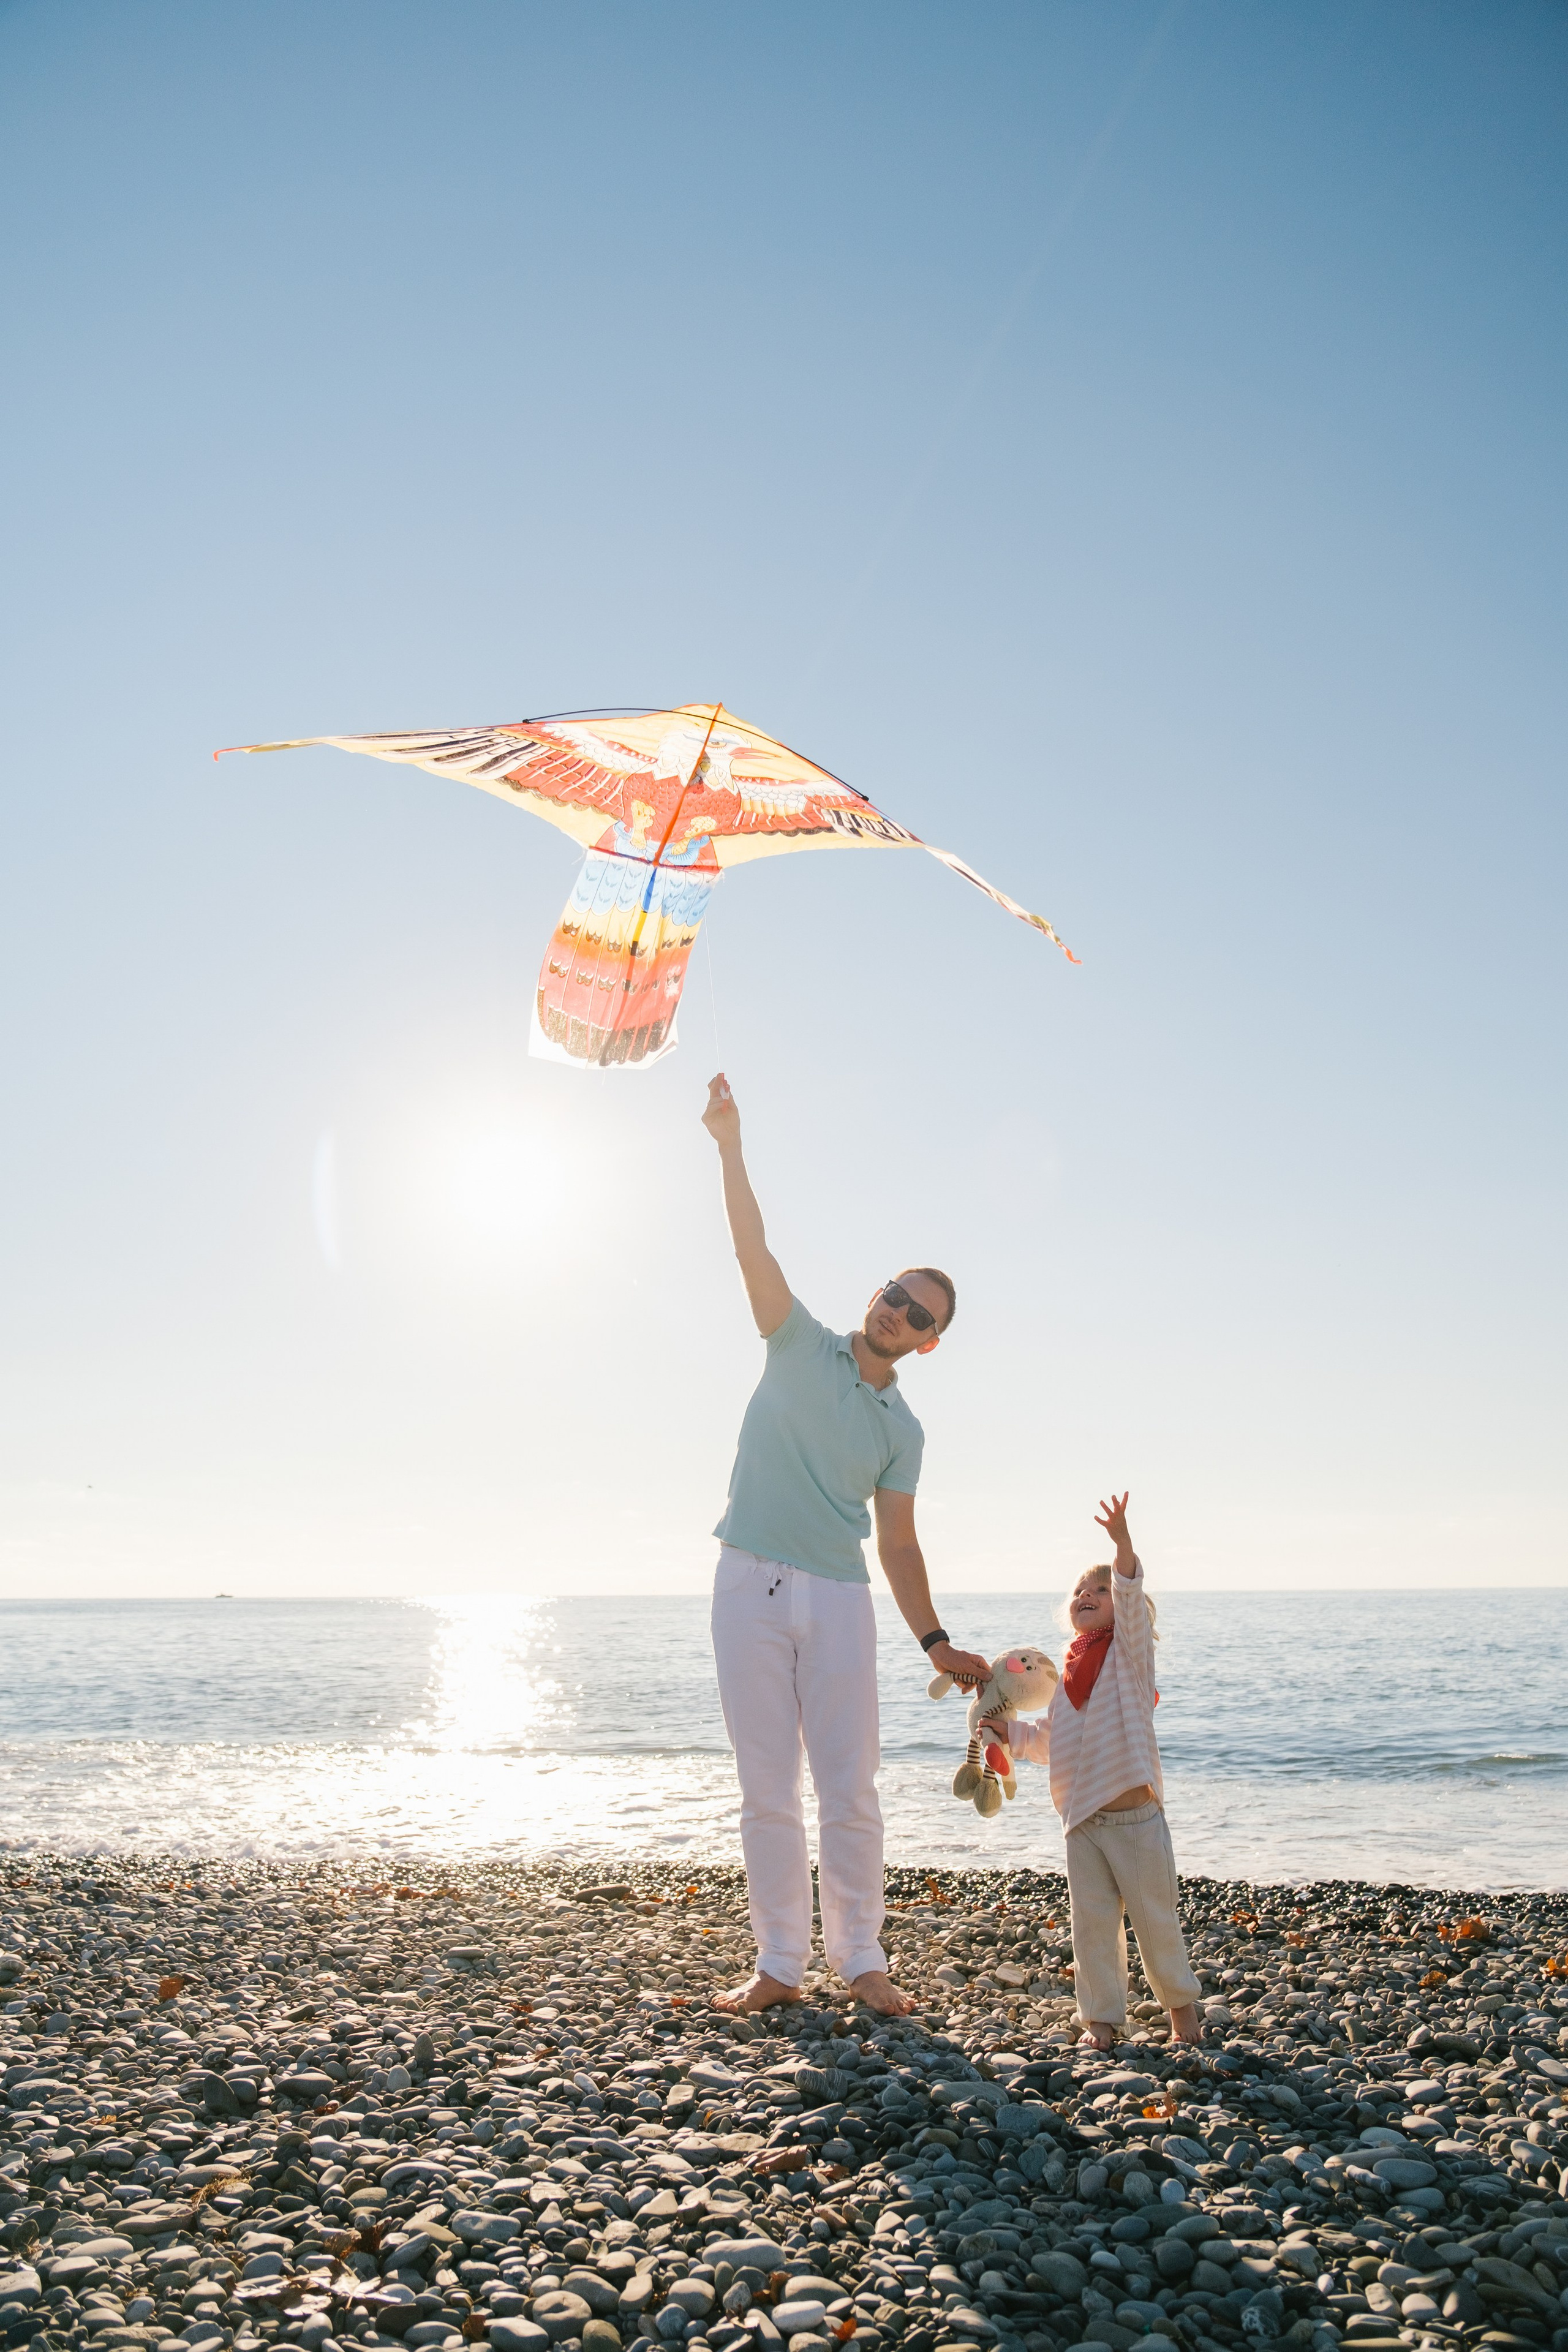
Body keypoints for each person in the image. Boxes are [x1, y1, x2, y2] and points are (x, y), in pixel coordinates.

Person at [700, 1071, 990, 2017]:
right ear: (875, 1293)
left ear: (930, 1342)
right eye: (896, 1294)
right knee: (766, 1789)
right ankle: (779, 1966)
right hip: (747, 1587)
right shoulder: (797, 1341)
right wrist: (730, 1143)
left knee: (849, 1789)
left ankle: (863, 1959)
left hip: (839, 1598)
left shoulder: (902, 1430)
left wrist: (934, 1639)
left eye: (919, 1314)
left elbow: (899, 1549)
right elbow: (752, 1250)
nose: (898, 1313)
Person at [984, 1491, 1202, 2049]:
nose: (1088, 1595)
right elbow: (1050, 1744)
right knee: (1094, 1928)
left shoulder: (1129, 1657)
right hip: (1082, 1821)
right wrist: (1004, 1731)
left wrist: (1123, 1547)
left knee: (1155, 1922)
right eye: (1081, 1589)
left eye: (1100, 1590)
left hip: (1134, 1819)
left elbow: (1129, 1594)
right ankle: (1101, 2024)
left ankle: (1184, 2018)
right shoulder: (1068, 1677)